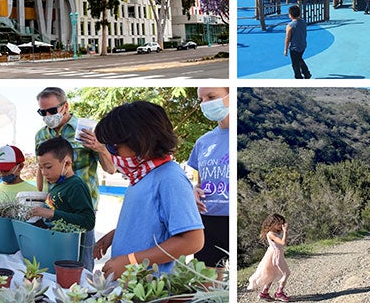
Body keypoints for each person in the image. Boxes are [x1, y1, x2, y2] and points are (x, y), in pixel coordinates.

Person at [92, 101, 204, 277]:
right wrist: (115, 235)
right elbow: (149, 222)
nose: (111, 154)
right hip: (127, 285)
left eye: (113, 147)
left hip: (150, 289)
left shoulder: (169, 178)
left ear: (140, 141)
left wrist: (131, 261)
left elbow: (192, 240)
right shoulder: (140, 175)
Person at [35, 87, 115, 270]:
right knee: (55, 257)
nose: (47, 115)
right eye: (42, 112)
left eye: (52, 111)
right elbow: (40, 171)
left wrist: (101, 148)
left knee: (82, 258)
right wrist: (40, 198)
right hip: (53, 205)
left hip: (81, 207)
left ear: (65, 106)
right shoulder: (40, 135)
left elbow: (111, 169)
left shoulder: (88, 131)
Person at [29, 137, 96, 271]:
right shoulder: (58, 185)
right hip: (56, 250)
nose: (44, 173)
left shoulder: (76, 186)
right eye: (41, 168)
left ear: (67, 164)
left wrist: (50, 213)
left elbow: (88, 221)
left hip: (69, 258)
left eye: (48, 167)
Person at [189, 87, 230, 272]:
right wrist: (194, 191)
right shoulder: (203, 142)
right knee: (208, 289)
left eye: (211, 97)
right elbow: (199, 183)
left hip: (231, 220)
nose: (205, 104)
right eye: (201, 99)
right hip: (207, 222)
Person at [247, 213, 291, 302]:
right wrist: (285, 231)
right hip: (276, 256)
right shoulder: (271, 234)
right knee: (286, 273)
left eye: (282, 224)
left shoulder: (274, 232)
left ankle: (264, 293)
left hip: (272, 255)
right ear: (272, 224)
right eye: (278, 224)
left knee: (271, 275)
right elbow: (282, 243)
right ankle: (279, 293)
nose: (280, 226)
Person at [284, 5, 311, 79]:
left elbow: (287, 38)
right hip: (302, 45)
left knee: (295, 64)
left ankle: (298, 76)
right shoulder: (303, 22)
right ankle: (306, 72)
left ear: (291, 15)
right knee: (299, 59)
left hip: (294, 48)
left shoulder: (290, 26)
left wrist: (285, 49)